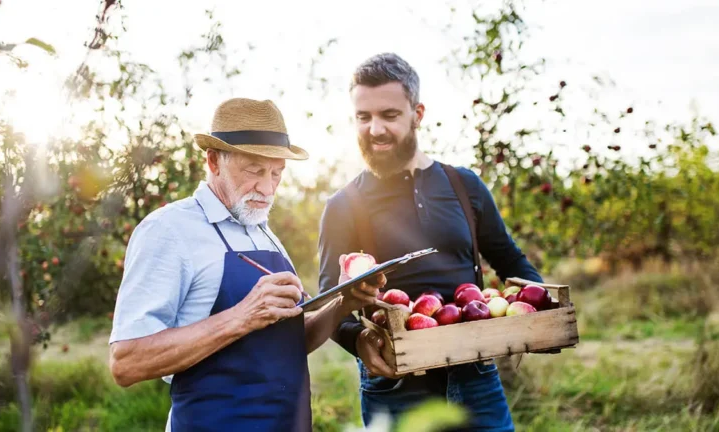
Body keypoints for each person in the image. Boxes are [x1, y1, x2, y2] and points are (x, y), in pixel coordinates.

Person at [108, 98, 386, 432]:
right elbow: (126, 361)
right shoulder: (169, 230)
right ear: (214, 161)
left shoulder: (263, 233)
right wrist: (242, 317)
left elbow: (287, 344)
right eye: (254, 170)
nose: (267, 189)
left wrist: (344, 303)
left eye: (277, 174)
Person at [318, 53, 544, 431]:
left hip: (476, 374)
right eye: (363, 117)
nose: (375, 129)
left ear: (417, 113)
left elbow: (510, 260)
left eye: (389, 115)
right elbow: (327, 298)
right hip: (396, 383)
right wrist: (358, 340)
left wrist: (545, 308)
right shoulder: (345, 205)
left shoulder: (463, 185)